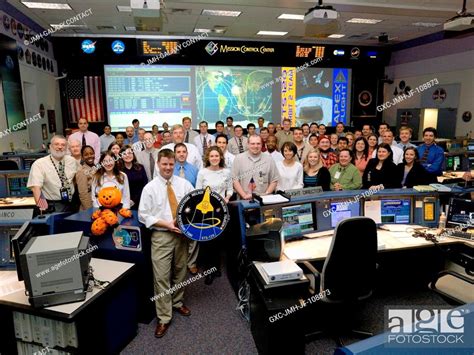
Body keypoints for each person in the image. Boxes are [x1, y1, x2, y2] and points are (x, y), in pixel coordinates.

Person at [138, 149, 194, 338]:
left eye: (171, 164)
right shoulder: (150, 188)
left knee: (180, 271)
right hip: (161, 236)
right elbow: (143, 215)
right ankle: (164, 317)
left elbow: (193, 207)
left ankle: (177, 302)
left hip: (182, 236)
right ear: (158, 164)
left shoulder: (185, 184)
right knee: (161, 277)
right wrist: (166, 224)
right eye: (164, 164)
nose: (168, 167)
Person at [195, 146, 233, 285]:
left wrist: (227, 198)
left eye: (217, 156)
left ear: (220, 157)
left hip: (221, 210)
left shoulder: (227, 172)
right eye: (212, 156)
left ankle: (216, 268)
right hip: (206, 211)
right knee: (207, 241)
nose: (214, 158)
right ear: (208, 158)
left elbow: (230, 189)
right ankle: (209, 271)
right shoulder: (202, 173)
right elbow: (197, 192)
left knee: (219, 240)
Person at [28, 135, 78, 212]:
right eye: (56, 144)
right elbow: (36, 188)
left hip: (72, 204)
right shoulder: (39, 164)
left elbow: (79, 177)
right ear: (50, 146)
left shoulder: (72, 161)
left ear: (66, 147)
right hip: (52, 206)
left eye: (63, 145)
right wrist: (43, 210)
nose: (60, 147)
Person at [172, 143, 199, 275]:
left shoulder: (194, 169)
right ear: (175, 154)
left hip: (191, 207)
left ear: (187, 154)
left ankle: (191, 262)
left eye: (184, 151)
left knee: (193, 236)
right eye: (178, 152)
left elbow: (198, 188)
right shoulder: (170, 169)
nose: (181, 154)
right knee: (177, 236)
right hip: (174, 207)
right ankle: (179, 263)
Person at [232, 135, 280, 199]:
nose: (255, 146)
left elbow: (274, 180)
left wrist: (265, 195)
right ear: (248, 144)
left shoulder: (269, 160)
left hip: (263, 200)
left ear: (262, 145)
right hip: (243, 200)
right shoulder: (238, 159)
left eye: (258, 143)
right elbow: (234, 180)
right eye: (252, 144)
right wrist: (244, 196)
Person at [120, 145, 148, 210]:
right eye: (124, 153)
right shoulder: (119, 170)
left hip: (141, 201)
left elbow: (145, 184)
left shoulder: (140, 167)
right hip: (124, 203)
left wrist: (134, 200)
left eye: (129, 153)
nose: (127, 155)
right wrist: (127, 201)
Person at [75, 145, 96, 210]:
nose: (89, 156)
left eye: (91, 153)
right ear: (82, 157)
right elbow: (83, 195)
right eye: (86, 154)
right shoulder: (81, 172)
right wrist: (90, 211)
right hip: (89, 208)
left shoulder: (97, 168)